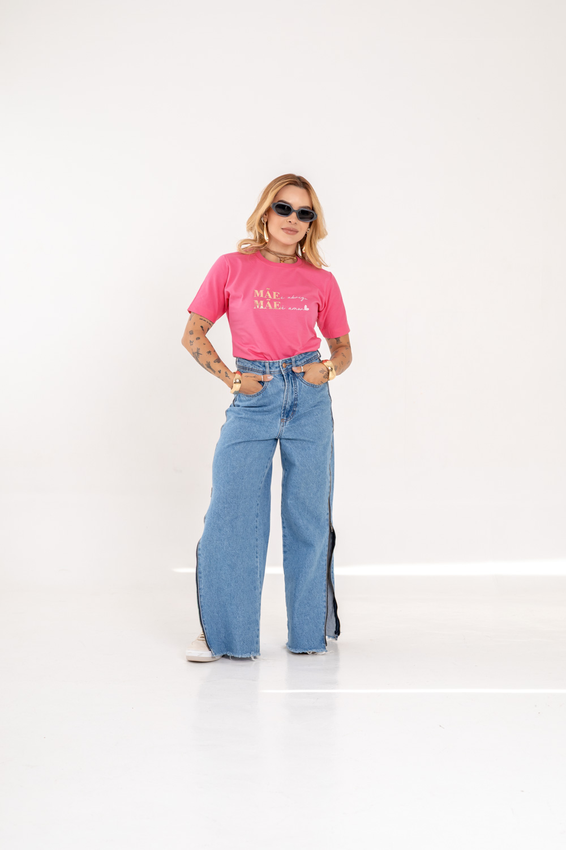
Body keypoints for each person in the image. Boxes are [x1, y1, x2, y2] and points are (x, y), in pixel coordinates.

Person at [181, 173, 352, 662]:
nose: (292, 219)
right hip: (254, 396)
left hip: (309, 399)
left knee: (308, 516)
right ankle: (222, 634)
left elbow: (343, 348)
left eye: (304, 213)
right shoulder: (232, 267)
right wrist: (232, 379)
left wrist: (326, 370)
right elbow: (193, 333)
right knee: (231, 513)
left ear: (312, 224)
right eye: (284, 208)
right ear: (265, 211)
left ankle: (309, 634)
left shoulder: (321, 280)